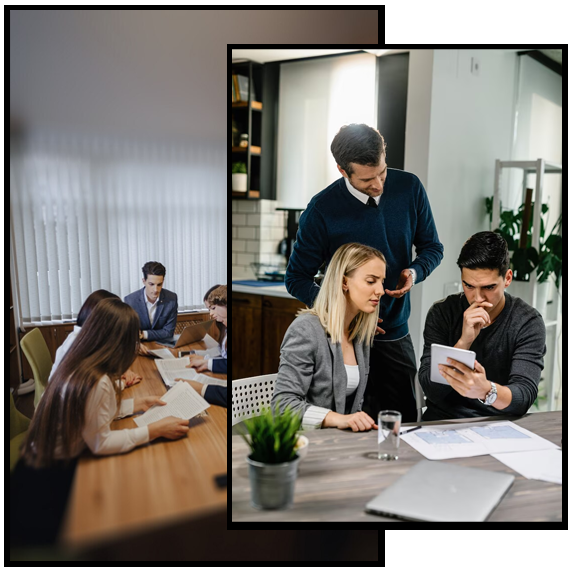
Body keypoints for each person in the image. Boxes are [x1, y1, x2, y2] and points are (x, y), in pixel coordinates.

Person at [284, 124, 443, 423]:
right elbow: (296, 279)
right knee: (351, 423)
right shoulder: (321, 210)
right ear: (343, 171)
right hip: (346, 339)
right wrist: (344, 311)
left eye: (382, 172)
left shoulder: (409, 187)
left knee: (406, 423)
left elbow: (432, 247)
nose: (380, 184)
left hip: (394, 333)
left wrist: (414, 271)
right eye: (368, 179)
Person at [21, 297, 190, 468]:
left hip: (40, 452)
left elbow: (91, 411)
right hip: (51, 467)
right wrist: (155, 430)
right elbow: (101, 444)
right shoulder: (97, 380)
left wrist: (136, 404)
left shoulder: (81, 360)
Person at [418, 231, 547, 420]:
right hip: (443, 421)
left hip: (499, 424)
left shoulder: (527, 322)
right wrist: (463, 343)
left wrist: (487, 390)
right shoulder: (442, 313)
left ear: (508, 279)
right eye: (469, 286)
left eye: (489, 287)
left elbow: (523, 397)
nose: (477, 298)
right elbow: (431, 390)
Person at [272, 242, 386, 431]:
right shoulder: (305, 330)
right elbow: (282, 407)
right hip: (305, 443)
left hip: (338, 444)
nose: (381, 290)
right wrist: (338, 419)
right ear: (344, 282)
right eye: (371, 281)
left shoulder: (359, 334)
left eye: (382, 281)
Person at [48, 289, 141, 388]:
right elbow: (92, 389)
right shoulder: (80, 344)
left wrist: (120, 372)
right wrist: (122, 383)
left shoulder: (83, 336)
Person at [124, 261, 178, 352]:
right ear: (144, 281)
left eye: (159, 284)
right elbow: (129, 334)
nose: (156, 290)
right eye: (151, 284)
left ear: (163, 281)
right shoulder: (130, 301)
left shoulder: (171, 299)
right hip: (139, 349)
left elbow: (168, 333)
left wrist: (142, 334)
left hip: (163, 348)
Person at [187, 285, 227, 374]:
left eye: (213, 308)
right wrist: (195, 355)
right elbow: (220, 350)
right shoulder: (223, 326)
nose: (211, 314)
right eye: (209, 309)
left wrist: (206, 362)